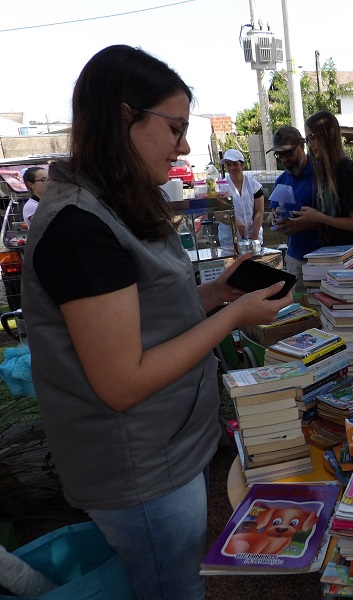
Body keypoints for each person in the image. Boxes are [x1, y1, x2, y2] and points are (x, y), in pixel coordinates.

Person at [21, 45, 293, 600]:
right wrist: (236, 313)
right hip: (137, 464)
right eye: (174, 127)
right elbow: (122, 382)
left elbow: (145, 319)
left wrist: (216, 293)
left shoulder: (117, 202)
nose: (185, 145)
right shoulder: (80, 226)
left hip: (163, 446)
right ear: (125, 117)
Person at [289, 110, 353, 261]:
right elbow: (335, 216)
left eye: (313, 138)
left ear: (330, 134)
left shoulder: (345, 170)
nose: (310, 145)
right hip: (333, 259)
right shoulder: (326, 170)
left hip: (347, 263)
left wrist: (318, 216)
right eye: (307, 140)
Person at [266, 126, 320, 291]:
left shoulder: (321, 173)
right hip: (294, 258)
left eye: (288, 153)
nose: (284, 159)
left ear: (302, 147)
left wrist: (303, 224)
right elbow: (273, 213)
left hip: (323, 258)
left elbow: (335, 216)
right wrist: (274, 218)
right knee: (300, 311)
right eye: (279, 155)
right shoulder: (281, 180)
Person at [218, 148, 264, 252]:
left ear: (242, 165)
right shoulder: (221, 187)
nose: (231, 168)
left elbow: (259, 211)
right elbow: (219, 213)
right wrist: (234, 220)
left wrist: (255, 233)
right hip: (229, 240)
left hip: (253, 238)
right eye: (228, 164)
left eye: (235, 164)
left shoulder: (254, 186)